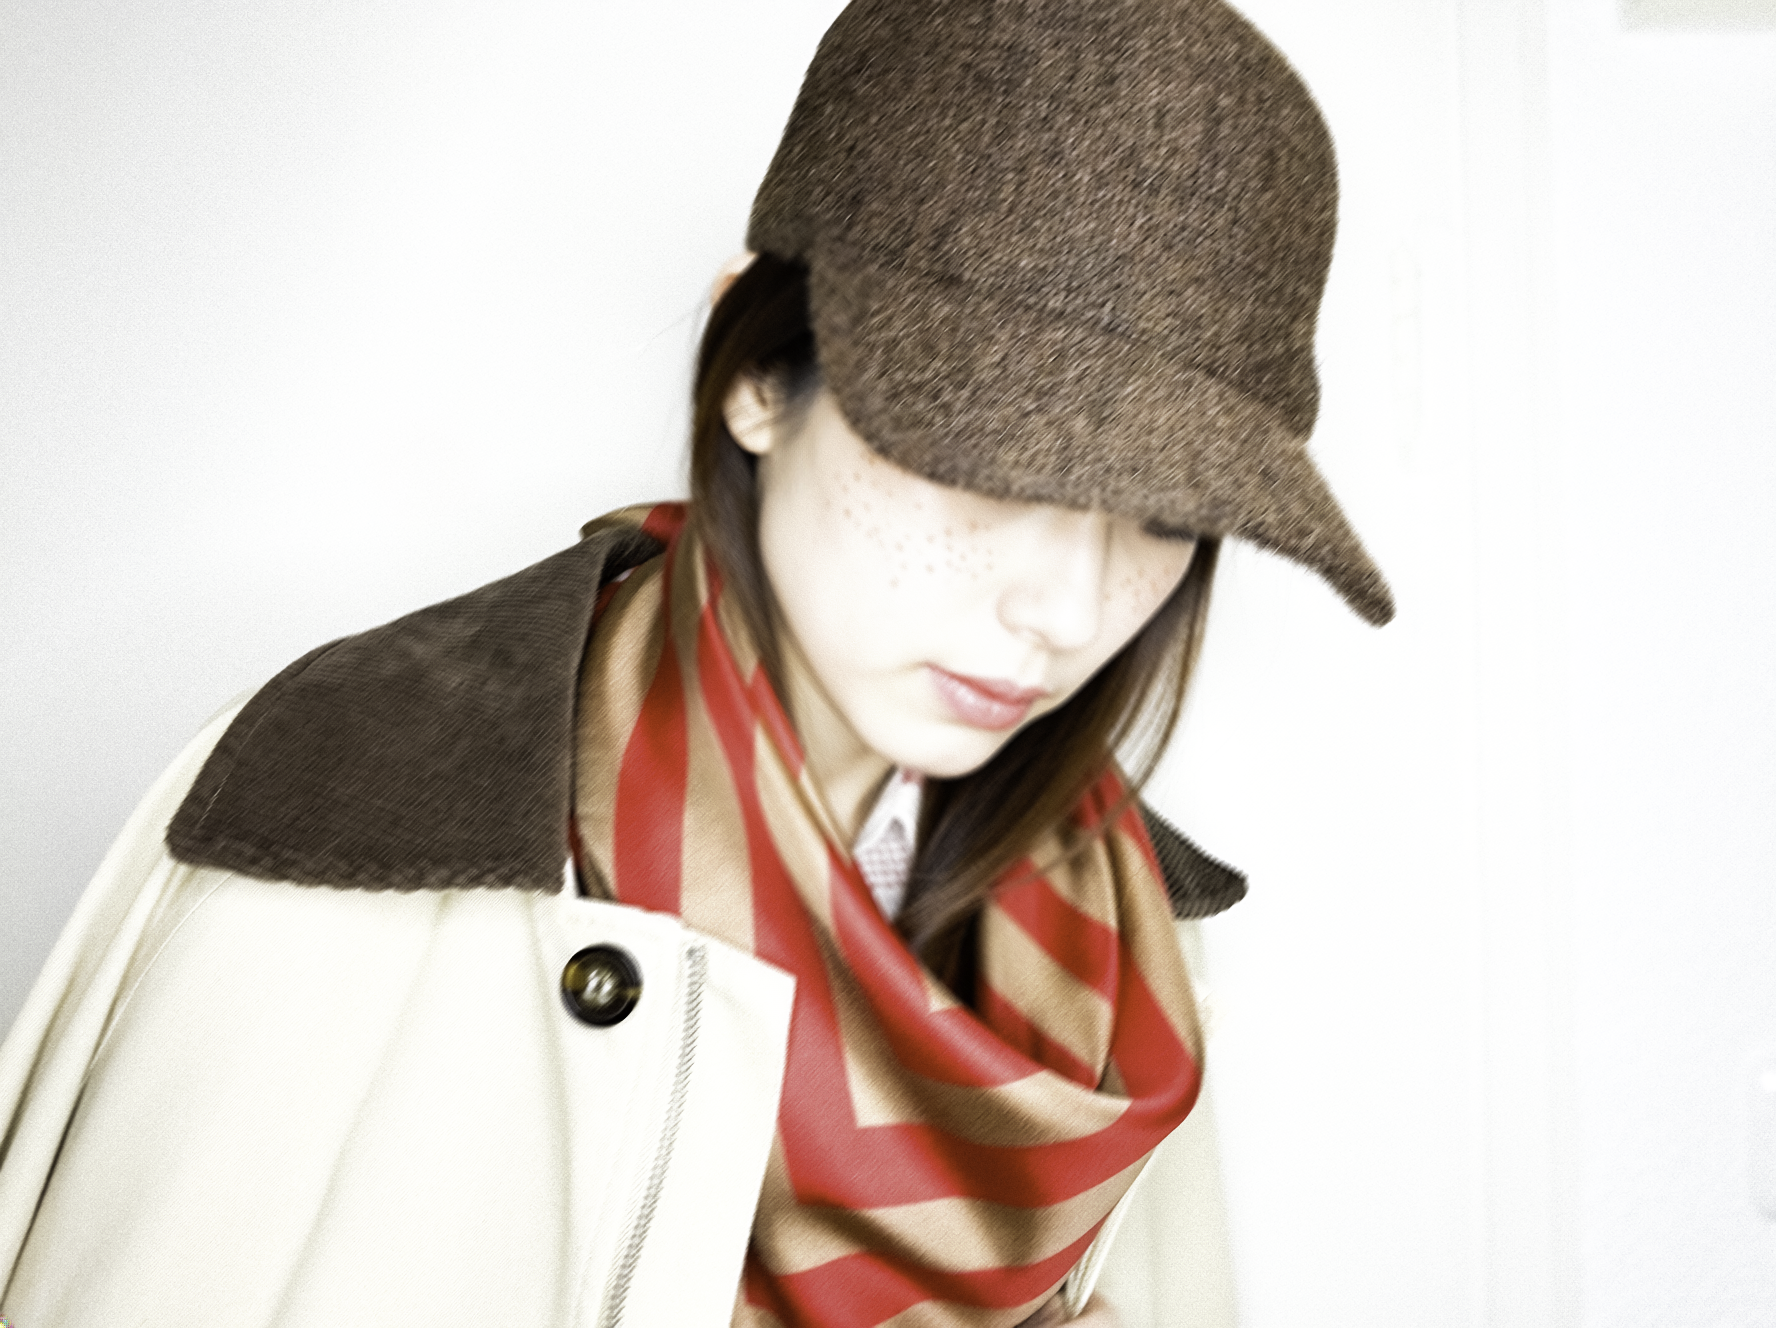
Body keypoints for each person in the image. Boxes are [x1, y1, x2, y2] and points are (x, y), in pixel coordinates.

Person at [0, 0, 1392, 1323]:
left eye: (1167, 518)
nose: (1070, 608)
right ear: (756, 378)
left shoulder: (1127, 945)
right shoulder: (351, 810)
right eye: (987, 466)